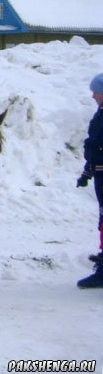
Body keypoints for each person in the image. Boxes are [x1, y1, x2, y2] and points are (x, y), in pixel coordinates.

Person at [76, 72, 103, 289]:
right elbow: (94, 145)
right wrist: (88, 171)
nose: (93, 96)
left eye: (97, 91)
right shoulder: (100, 114)